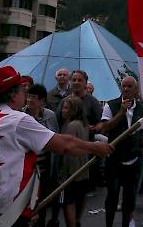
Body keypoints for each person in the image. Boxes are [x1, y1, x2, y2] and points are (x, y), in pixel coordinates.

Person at [0, 66, 113, 227]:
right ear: (13, 94)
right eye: (23, 91)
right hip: (8, 210)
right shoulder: (18, 119)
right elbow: (64, 145)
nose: (26, 96)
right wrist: (94, 147)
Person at [91, 76, 143, 227]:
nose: (126, 89)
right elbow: (105, 127)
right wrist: (121, 112)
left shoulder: (141, 108)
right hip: (114, 159)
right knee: (112, 196)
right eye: (124, 86)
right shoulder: (111, 105)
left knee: (130, 198)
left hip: (134, 159)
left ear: (136, 89)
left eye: (129, 86)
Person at [24, 84, 60, 227]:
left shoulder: (50, 116)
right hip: (27, 167)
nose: (29, 100)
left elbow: (56, 137)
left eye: (33, 97)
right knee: (27, 202)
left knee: (42, 201)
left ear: (42, 100)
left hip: (45, 165)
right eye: (28, 96)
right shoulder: (21, 115)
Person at [58, 96, 90, 227]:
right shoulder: (84, 125)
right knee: (80, 199)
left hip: (71, 172)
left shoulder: (71, 126)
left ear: (73, 110)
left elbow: (68, 151)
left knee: (68, 202)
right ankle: (77, 222)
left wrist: (63, 174)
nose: (62, 111)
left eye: (66, 108)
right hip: (83, 170)